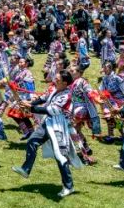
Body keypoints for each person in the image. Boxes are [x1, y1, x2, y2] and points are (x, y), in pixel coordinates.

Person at [10, 68, 84, 199]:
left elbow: (52, 110)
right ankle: (26, 169)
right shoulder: (56, 89)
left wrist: (31, 107)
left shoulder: (66, 95)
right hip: (48, 123)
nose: (54, 80)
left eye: (58, 79)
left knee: (60, 156)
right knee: (32, 141)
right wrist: (30, 103)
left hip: (58, 126)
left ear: (65, 83)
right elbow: (43, 98)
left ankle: (69, 186)